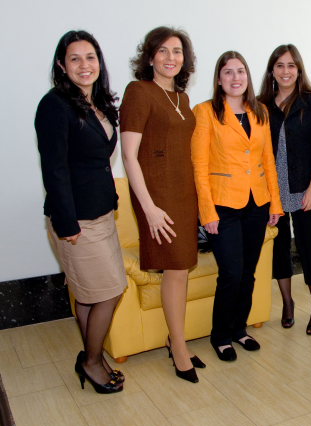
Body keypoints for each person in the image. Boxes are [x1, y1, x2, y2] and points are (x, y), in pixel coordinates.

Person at [35, 30, 126, 394]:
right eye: (75, 58)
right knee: (109, 291)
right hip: (76, 220)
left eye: (90, 57)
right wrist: (66, 222)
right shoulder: (54, 105)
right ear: (62, 65)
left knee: (92, 293)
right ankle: (90, 361)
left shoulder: (97, 101)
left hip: (101, 212)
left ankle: (93, 355)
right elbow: (54, 169)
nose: (84, 65)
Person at [120, 27, 204, 383]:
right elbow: (129, 156)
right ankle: (180, 349)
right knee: (176, 268)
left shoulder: (182, 98)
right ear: (150, 56)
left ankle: (175, 339)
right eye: (164, 50)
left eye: (178, 51)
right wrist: (149, 208)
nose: (171, 58)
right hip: (158, 196)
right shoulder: (138, 92)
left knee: (181, 269)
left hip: (185, 193)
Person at [192, 51, 283, 362]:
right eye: (228, 72)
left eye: (240, 71)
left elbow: (268, 160)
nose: (235, 78)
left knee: (248, 273)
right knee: (230, 272)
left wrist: (275, 203)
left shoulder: (260, 111)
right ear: (219, 79)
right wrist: (207, 212)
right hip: (223, 205)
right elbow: (199, 166)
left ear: (248, 76)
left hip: (257, 203)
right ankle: (220, 336)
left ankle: (239, 329)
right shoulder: (205, 112)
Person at [258, 45, 311, 335]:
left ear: (299, 70)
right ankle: (287, 303)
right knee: (279, 248)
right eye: (280, 66)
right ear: (272, 71)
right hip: (272, 191)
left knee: (308, 246)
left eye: (291, 65)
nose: (285, 71)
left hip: (303, 188)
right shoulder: (262, 104)